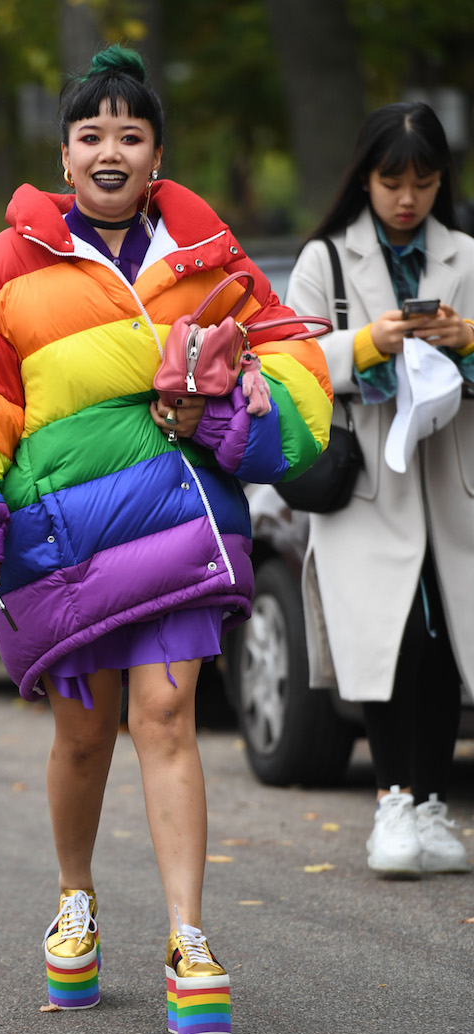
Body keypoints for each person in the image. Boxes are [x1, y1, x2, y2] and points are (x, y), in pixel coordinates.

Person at [0, 46, 331, 1034]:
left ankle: (189, 939)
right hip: (62, 548)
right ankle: (75, 898)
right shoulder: (4, 269)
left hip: (177, 526)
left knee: (166, 715)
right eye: (93, 134)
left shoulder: (211, 257)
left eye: (131, 133)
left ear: (157, 152)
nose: (111, 149)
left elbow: (294, 364)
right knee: (84, 735)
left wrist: (226, 426)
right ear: (66, 152)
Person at [285, 102, 474, 878]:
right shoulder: (324, 261)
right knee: (387, 643)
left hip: (452, 485)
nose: (407, 198)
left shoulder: (465, 252)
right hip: (367, 488)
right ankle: (393, 800)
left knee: (444, 647)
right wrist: (369, 344)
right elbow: (287, 365)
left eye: (423, 182)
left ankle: (431, 806)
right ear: (364, 177)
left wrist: (466, 341)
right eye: (392, 181)